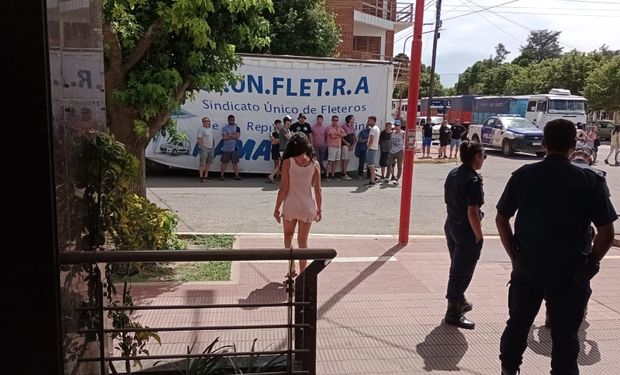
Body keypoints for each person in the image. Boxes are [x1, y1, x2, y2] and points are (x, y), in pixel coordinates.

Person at [496, 119, 617, 375]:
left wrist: (514, 253)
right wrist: (591, 262)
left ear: (544, 142)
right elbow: (606, 231)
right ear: (574, 145)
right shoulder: (589, 180)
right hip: (571, 273)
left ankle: (509, 369)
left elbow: (501, 217)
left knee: (517, 325)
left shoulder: (523, 175)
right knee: (565, 336)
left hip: (528, 268)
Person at [443, 140, 486, 329]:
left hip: (451, 224)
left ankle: (459, 300)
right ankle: (453, 311)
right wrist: (479, 235)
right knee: (462, 270)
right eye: (483, 156)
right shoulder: (473, 180)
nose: (483, 160)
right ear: (477, 157)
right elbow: (472, 212)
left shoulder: (454, 173)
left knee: (457, 266)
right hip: (465, 229)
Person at [273, 132, 322, 278]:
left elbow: (283, 188)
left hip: (290, 204)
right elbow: (318, 189)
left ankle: (291, 268)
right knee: (303, 241)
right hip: (307, 206)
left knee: (288, 236)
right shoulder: (315, 164)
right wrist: (319, 208)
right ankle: (303, 274)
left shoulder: (288, 162)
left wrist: (276, 208)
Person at [220, 114, 242, 180]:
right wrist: (233, 135)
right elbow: (224, 137)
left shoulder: (237, 128)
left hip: (234, 148)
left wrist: (229, 135)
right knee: (224, 163)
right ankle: (221, 175)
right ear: (228, 120)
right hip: (226, 148)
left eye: (233, 120)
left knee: (235, 163)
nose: (232, 121)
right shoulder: (224, 128)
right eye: (230, 120)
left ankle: (237, 175)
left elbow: (238, 136)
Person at [326, 115, 345, 181]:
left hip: (338, 146)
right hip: (332, 146)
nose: (335, 121)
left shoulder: (339, 127)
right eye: (334, 120)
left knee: (336, 162)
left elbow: (345, 134)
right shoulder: (329, 127)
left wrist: (337, 134)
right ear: (332, 120)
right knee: (330, 161)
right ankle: (327, 176)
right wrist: (340, 134)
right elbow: (332, 136)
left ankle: (333, 174)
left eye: (336, 120)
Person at [197, 116, 215, 182]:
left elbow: (212, 138)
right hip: (204, 148)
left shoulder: (210, 129)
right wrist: (202, 146)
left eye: (208, 121)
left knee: (208, 163)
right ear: (203, 122)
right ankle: (201, 176)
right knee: (202, 163)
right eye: (205, 121)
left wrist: (213, 146)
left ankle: (206, 176)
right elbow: (199, 139)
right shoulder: (201, 129)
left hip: (211, 148)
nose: (207, 122)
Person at [365, 116, 380, 186]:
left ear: (373, 121)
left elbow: (371, 140)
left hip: (371, 148)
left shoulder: (373, 130)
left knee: (370, 165)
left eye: (369, 120)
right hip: (374, 148)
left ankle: (372, 180)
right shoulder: (376, 128)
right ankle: (374, 177)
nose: (368, 121)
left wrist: (368, 149)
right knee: (371, 164)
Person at [340, 115, 357, 180]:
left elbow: (355, 138)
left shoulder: (353, 128)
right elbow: (341, 137)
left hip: (351, 147)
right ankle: (343, 174)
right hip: (345, 145)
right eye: (352, 119)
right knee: (345, 159)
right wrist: (347, 143)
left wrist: (353, 145)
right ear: (349, 119)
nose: (354, 120)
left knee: (347, 159)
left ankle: (345, 172)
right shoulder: (343, 127)